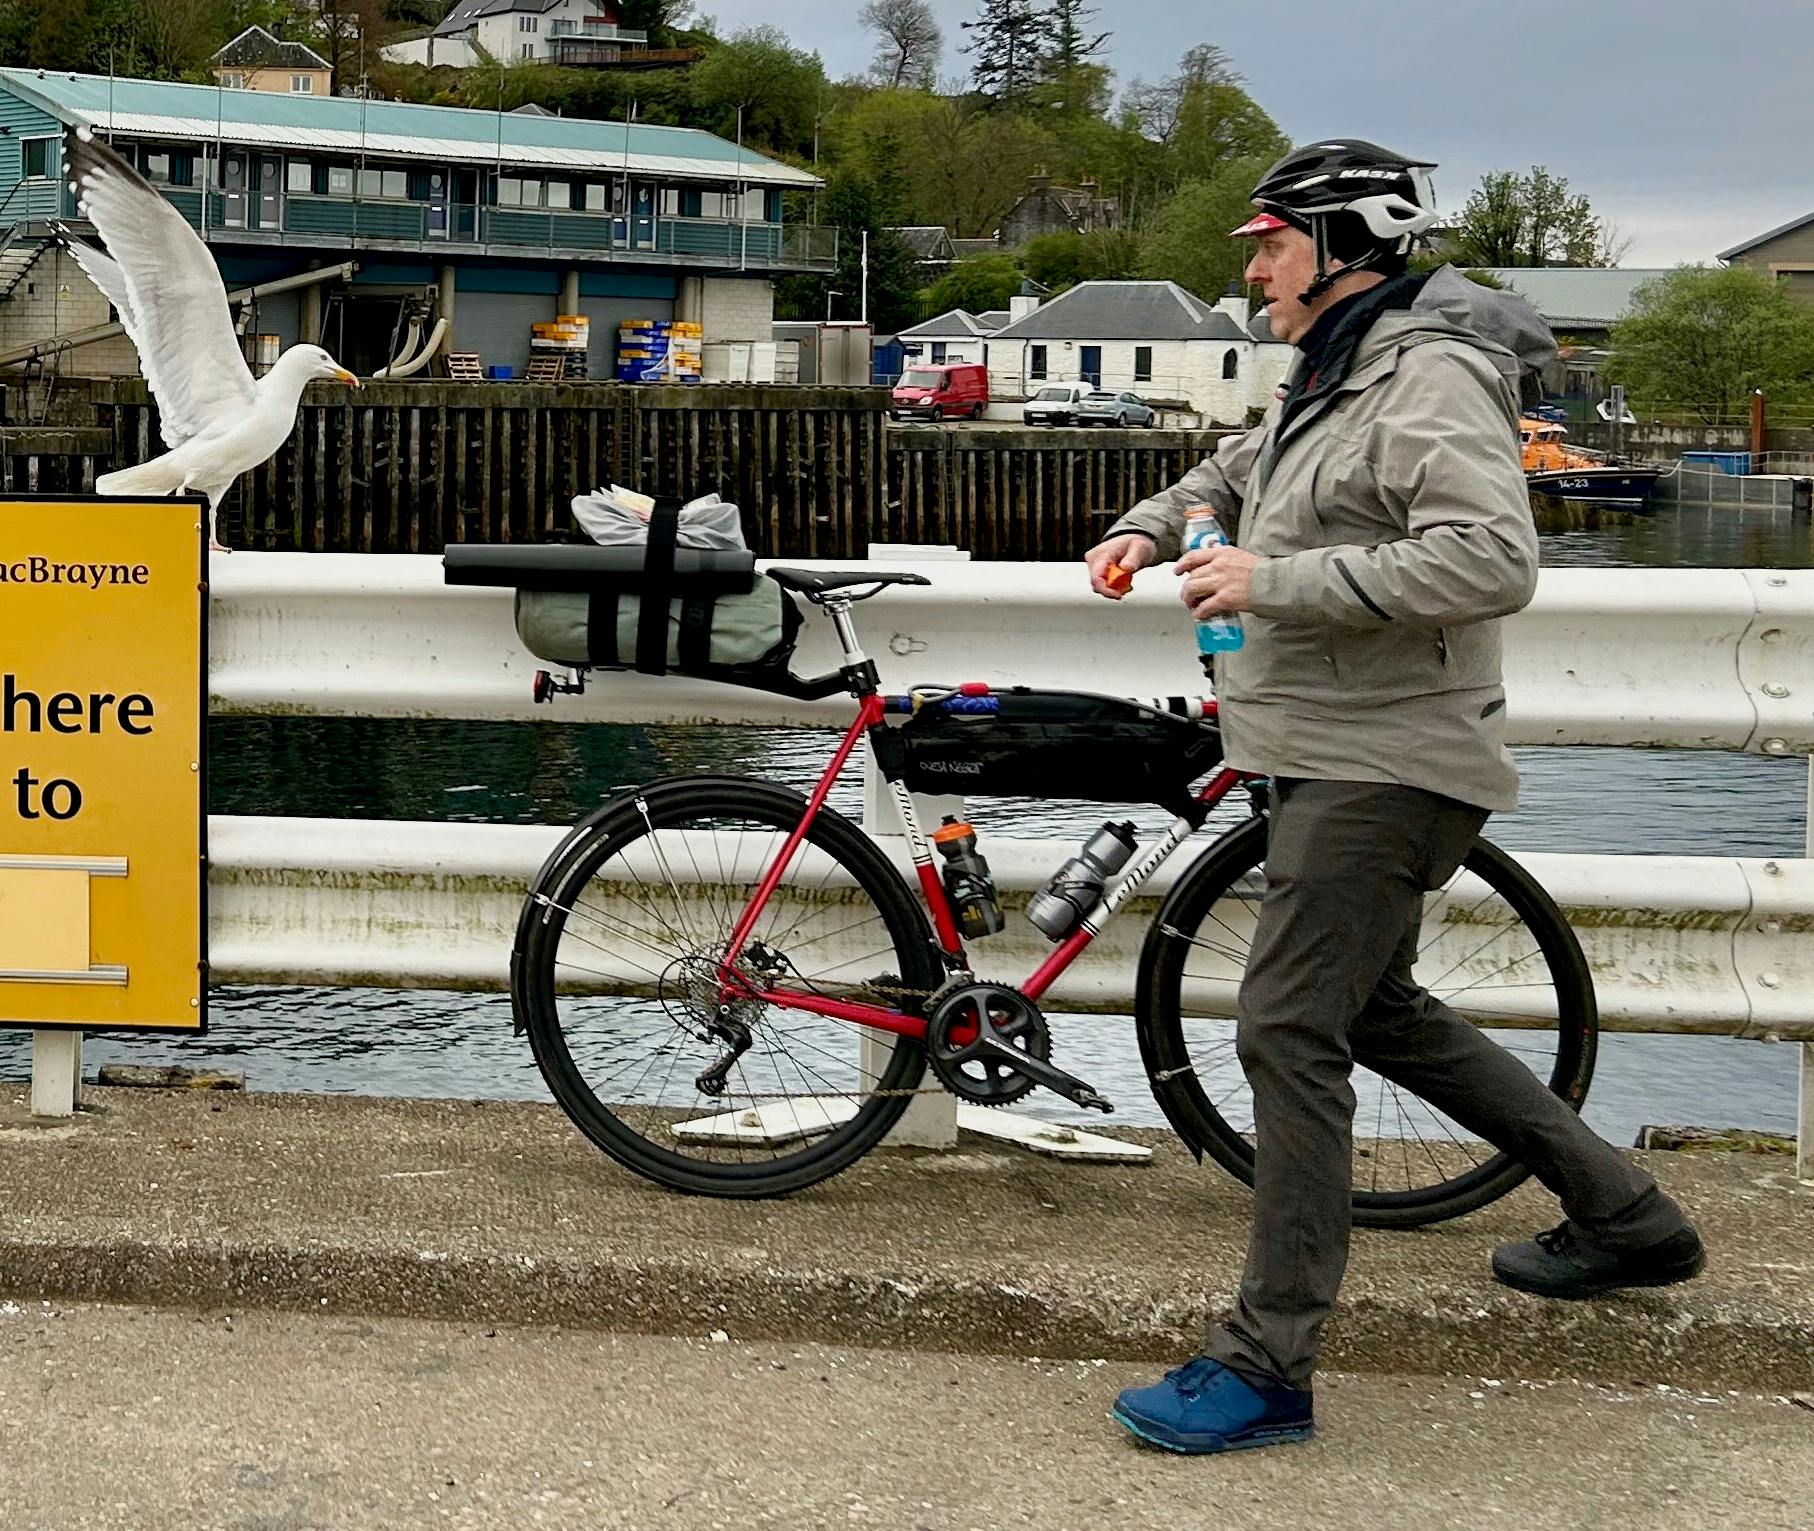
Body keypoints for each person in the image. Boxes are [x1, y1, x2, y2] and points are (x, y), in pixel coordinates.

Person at [1084, 139, 1705, 1457]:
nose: (1249, 263)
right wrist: (1150, 524)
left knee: (1285, 1026)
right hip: (1323, 738)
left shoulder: (1423, 372)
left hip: (1391, 753)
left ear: (1342, 244)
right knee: (1380, 1014)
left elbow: (1489, 558)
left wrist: (1275, 585)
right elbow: (1233, 475)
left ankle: (1266, 1364)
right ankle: (1629, 1220)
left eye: (1267, 241)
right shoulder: (1330, 364)